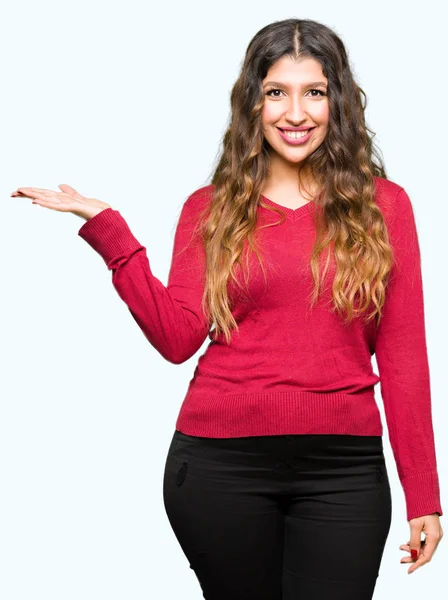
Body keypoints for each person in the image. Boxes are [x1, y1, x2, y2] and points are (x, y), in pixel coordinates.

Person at [11, 17, 443, 600]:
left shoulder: (384, 207)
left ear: (337, 101)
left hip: (344, 469)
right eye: (276, 93)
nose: (295, 113)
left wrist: (425, 496)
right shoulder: (210, 209)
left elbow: (403, 359)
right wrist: (110, 232)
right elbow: (177, 337)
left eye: (313, 92)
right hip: (219, 468)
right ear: (253, 102)